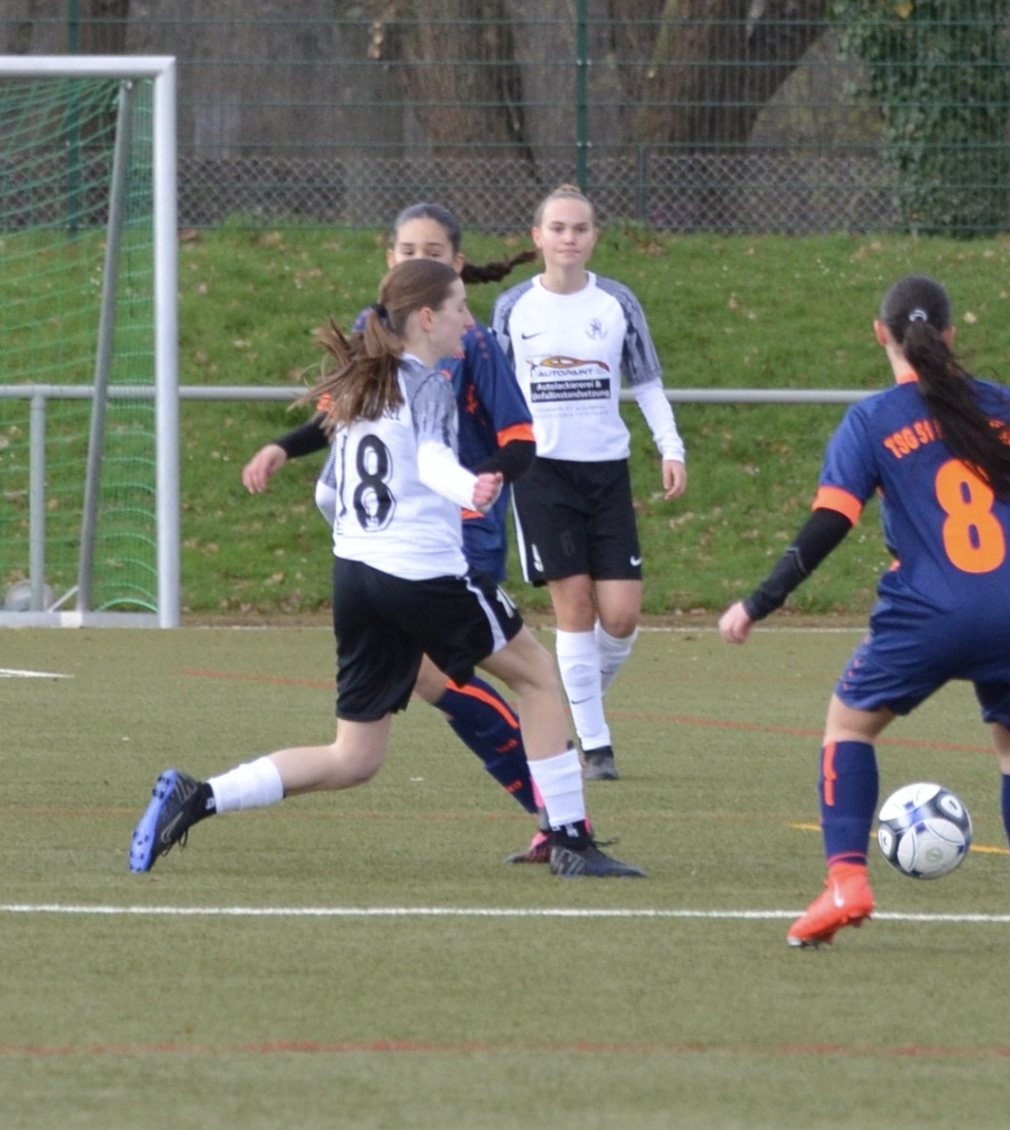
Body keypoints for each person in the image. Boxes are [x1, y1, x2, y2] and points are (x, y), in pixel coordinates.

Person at [131, 257, 643, 878]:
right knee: (536, 676)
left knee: (354, 757)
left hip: (356, 577)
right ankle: (571, 841)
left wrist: (353, 524)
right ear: (426, 317)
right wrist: (472, 487)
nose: (468, 320)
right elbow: (431, 461)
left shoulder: (362, 382)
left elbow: (329, 491)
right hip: (422, 574)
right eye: (459, 308)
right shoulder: (427, 383)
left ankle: (199, 796)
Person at [718, 274, 1010, 952]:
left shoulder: (873, 420)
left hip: (929, 610)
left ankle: (846, 882)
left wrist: (760, 600)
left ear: (880, 334)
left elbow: (831, 522)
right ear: (950, 334)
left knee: (848, 725)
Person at [238, 204, 553, 858]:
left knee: (458, 681)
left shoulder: (474, 339)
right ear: (389, 260)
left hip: (455, 536)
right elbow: (338, 416)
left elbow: (519, 438)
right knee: (440, 686)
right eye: (407, 249)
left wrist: (481, 481)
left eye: (432, 252)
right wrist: (284, 447)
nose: (418, 259)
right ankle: (553, 807)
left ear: (456, 265)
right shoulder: (374, 333)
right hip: (393, 545)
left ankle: (553, 807)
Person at [490, 184, 686, 782]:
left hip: (606, 473)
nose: (568, 238)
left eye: (579, 228)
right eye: (557, 228)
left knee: (620, 617)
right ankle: (596, 748)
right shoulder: (513, 307)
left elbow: (647, 383)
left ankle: (570, 702)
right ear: (537, 237)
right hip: (541, 472)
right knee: (574, 604)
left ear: (594, 237)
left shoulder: (618, 302)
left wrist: (670, 447)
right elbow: (493, 389)